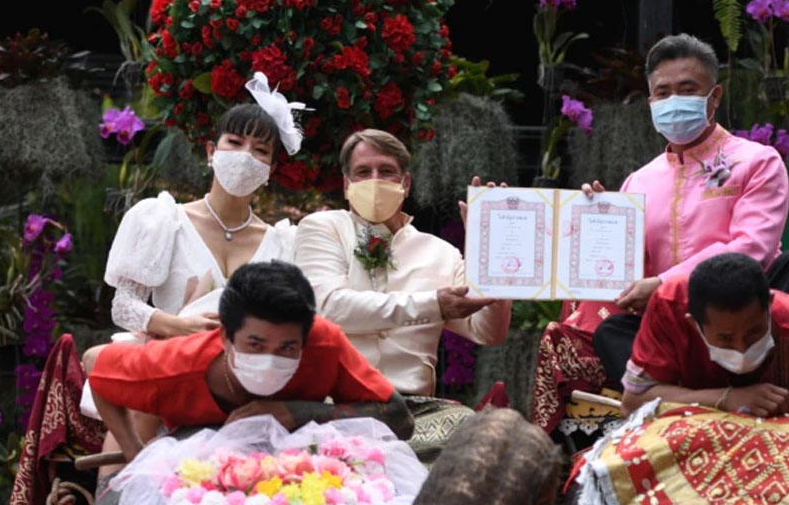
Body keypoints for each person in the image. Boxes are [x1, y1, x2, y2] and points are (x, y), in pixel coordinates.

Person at [585, 33, 789, 384]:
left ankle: (756, 384)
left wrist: (664, 284)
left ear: (715, 97)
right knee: (612, 331)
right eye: (663, 93)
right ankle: (699, 395)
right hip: (676, 327)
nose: (674, 100)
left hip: (746, 318)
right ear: (650, 101)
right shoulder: (637, 182)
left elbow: (751, 250)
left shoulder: (758, 161)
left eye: (687, 89)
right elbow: (626, 276)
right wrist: (597, 219)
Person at [83, 261, 413, 465]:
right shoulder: (176, 364)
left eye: (288, 348)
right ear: (226, 338)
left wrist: (298, 412)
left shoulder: (324, 342)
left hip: (309, 467)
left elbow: (399, 418)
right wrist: (134, 451)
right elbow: (95, 364)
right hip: (197, 466)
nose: (270, 359)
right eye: (255, 344)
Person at [293, 129, 511, 398]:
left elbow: (488, 332)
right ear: (347, 185)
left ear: (405, 184)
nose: (375, 181)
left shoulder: (442, 252)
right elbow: (328, 308)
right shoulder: (323, 228)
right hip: (332, 402)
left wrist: (490, 251)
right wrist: (434, 305)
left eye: (386, 171)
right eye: (363, 172)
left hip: (416, 410)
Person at [104, 72, 303, 339]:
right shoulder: (163, 220)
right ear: (211, 151)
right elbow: (124, 307)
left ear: (271, 168)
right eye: (234, 142)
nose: (245, 155)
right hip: (169, 365)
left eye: (261, 150)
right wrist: (180, 327)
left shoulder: (284, 244)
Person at [620, 253, 789, 424]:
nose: (742, 348)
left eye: (754, 332)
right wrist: (726, 398)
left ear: (771, 305)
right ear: (693, 324)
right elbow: (633, 401)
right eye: (725, 339)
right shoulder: (670, 307)